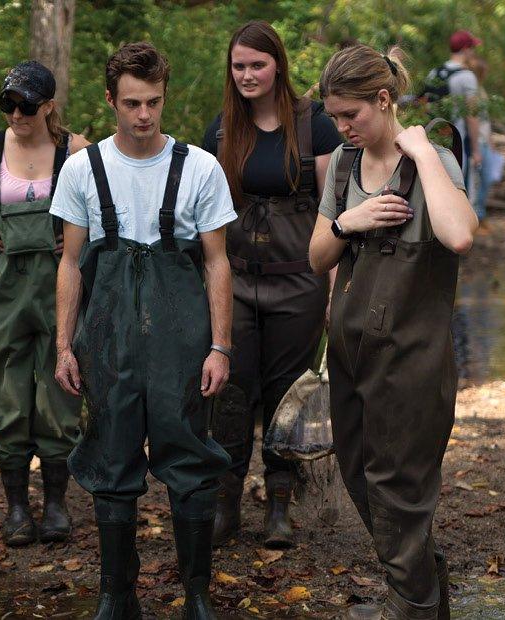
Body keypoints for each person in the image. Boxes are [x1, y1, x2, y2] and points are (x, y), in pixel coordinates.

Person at [51, 42, 235, 620]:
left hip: (182, 333)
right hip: (107, 333)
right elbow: (70, 263)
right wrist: (64, 344)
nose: (144, 115)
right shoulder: (83, 168)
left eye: (153, 101)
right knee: (112, 451)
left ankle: (196, 594)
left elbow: (217, 263)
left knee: (189, 452)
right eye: (131, 103)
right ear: (110, 100)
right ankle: (116, 594)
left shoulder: (200, 166)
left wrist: (220, 346)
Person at [309, 44, 475, 619]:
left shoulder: (432, 161)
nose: (342, 126)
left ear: (385, 99)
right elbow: (316, 256)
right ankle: (423, 592)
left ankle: (414, 603)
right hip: (353, 354)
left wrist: (424, 154)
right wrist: (347, 221)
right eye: (333, 116)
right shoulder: (344, 165)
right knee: (361, 477)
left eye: (351, 114)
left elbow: (459, 237)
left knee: (400, 493)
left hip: (412, 361)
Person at [199, 20, 343, 550]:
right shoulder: (220, 130)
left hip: (299, 283)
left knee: (286, 394)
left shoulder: (316, 125)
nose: (247, 75)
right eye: (238, 66)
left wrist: (333, 289)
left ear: (277, 64)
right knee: (232, 393)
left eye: (257, 64)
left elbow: (334, 214)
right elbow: (204, 214)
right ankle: (226, 504)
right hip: (235, 283)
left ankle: (279, 507)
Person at [0, 61, 91, 547]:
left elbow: (102, 207)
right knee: (6, 393)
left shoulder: (76, 151)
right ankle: (16, 509)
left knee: (59, 392)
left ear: (49, 106)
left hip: (59, 284)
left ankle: (56, 506)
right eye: (9, 104)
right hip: (4, 287)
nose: (16, 114)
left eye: (27, 105)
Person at [423, 30, 483, 172]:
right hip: (458, 144)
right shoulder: (467, 77)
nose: (473, 52)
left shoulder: (434, 73)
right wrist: (476, 151)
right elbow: (472, 115)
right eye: (472, 48)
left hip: (433, 140)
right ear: (465, 50)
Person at [463, 55, 499, 229]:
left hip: (484, 141)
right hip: (476, 142)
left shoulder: (481, 90)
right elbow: (473, 119)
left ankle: (479, 214)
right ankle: (475, 216)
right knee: (477, 180)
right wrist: (476, 148)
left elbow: (486, 120)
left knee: (487, 178)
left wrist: (490, 141)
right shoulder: (470, 91)